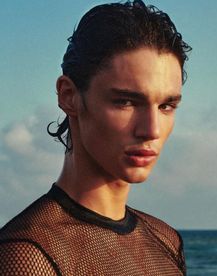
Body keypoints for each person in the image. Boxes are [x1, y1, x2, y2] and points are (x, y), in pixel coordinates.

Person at [0, 1, 191, 275]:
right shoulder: (28, 254)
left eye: (166, 106)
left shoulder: (166, 240)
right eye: (126, 101)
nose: (152, 130)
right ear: (69, 97)